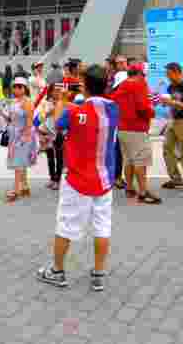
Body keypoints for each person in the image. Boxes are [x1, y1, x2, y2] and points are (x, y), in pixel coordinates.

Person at [37, 64, 119, 291]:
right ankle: (99, 273)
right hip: (104, 180)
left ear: (84, 85)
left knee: (66, 225)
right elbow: (91, 110)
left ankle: (57, 271)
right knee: (102, 226)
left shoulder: (73, 112)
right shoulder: (113, 109)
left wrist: (62, 101)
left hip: (77, 179)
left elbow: (49, 127)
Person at [111, 63, 159, 203]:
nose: (145, 78)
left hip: (122, 128)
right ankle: (143, 191)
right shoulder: (139, 84)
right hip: (137, 128)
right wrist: (152, 112)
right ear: (139, 74)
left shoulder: (123, 85)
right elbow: (142, 107)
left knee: (128, 159)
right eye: (144, 75)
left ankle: (130, 188)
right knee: (140, 160)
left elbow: (113, 102)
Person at [159, 62, 183, 192]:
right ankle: (176, 179)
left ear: (176, 72)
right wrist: (166, 103)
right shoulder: (171, 87)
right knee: (166, 148)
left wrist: (172, 102)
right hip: (174, 120)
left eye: (168, 73)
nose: (167, 76)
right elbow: (173, 103)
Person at [3, 77, 36, 202]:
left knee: (18, 161)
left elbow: (29, 121)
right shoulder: (13, 101)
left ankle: (16, 189)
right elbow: (10, 119)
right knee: (20, 161)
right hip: (14, 134)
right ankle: (25, 186)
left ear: (25, 88)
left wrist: (26, 136)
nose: (17, 89)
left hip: (23, 134)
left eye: (20, 86)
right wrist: (1, 112)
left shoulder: (27, 102)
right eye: (15, 86)